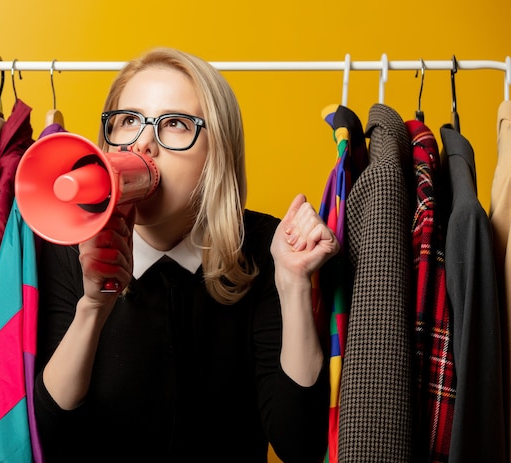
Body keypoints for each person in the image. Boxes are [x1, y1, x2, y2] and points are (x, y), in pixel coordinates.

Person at [33, 47, 339, 463]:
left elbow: (299, 445)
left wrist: (292, 284)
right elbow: (55, 440)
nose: (143, 144)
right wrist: (92, 307)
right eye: (128, 121)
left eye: (174, 124)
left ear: (219, 152)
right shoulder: (67, 245)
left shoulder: (268, 247)